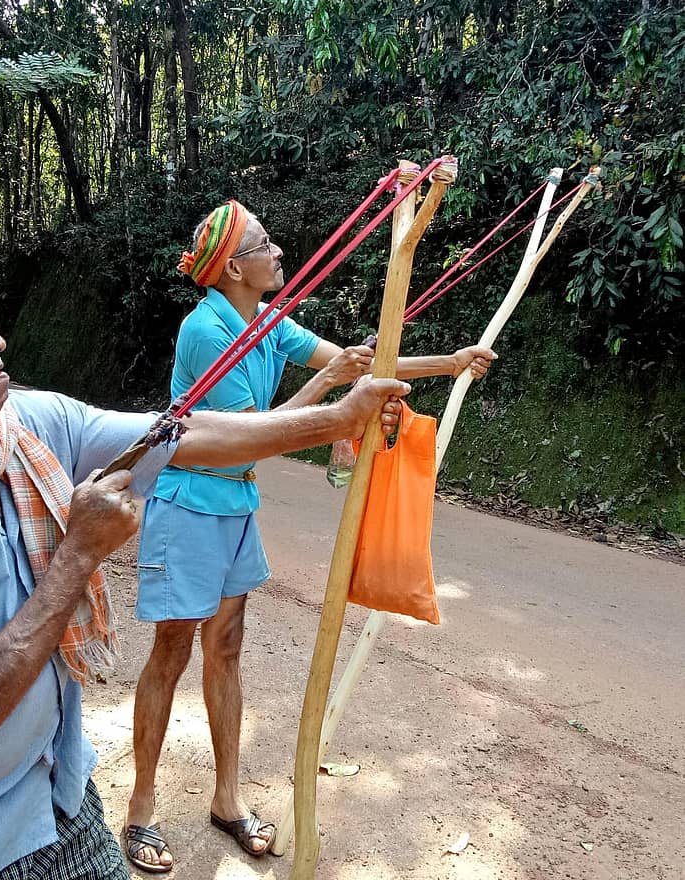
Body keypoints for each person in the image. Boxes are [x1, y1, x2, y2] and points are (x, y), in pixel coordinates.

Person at [0, 253, 408, 880]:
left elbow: (176, 434)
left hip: (55, 789)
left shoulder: (22, 428)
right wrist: (81, 551)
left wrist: (338, 418)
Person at [125, 200, 496, 872]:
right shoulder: (206, 330)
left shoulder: (266, 320)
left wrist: (450, 362)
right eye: (264, 245)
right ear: (235, 267)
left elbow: (360, 363)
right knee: (173, 649)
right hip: (187, 503)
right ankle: (142, 808)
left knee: (228, 646)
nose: (278, 252)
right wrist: (327, 382)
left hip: (233, 505)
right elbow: (244, 443)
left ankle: (227, 799)